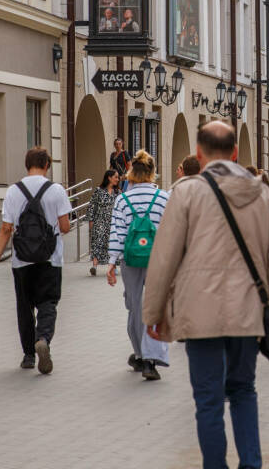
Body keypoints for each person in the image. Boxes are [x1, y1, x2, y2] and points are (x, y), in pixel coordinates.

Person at [142, 121, 269, 469]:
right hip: (248, 310)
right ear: (235, 152)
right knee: (244, 391)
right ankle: (251, 463)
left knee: (208, 400)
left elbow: (164, 257)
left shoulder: (186, 193)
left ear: (199, 152)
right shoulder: (262, 193)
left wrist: (153, 312)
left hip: (199, 312)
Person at [0, 147, 72, 372]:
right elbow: (65, 226)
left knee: (24, 306)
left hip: (21, 260)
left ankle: (28, 356)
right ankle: (42, 338)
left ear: (27, 165)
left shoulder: (13, 191)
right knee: (48, 302)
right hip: (50, 258)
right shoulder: (56, 190)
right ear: (47, 165)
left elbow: (6, 229)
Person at [107, 150, 170, 380]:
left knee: (134, 307)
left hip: (131, 261)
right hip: (157, 261)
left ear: (132, 172)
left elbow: (117, 233)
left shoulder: (122, 200)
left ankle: (140, 354)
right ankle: (151, 359)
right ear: (152, 173)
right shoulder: (163, 198)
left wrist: (111, 263)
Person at [87, 170, 119, 276]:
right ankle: (94, 266)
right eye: (115, 177)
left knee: (112, 244)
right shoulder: (98, 191)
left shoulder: (118, 192)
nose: (117, 179)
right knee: (97, 242)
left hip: (113, 222)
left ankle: (113, 267)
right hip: (99, 221)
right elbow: (92, 206)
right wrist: (91, 220)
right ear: (109, 177)